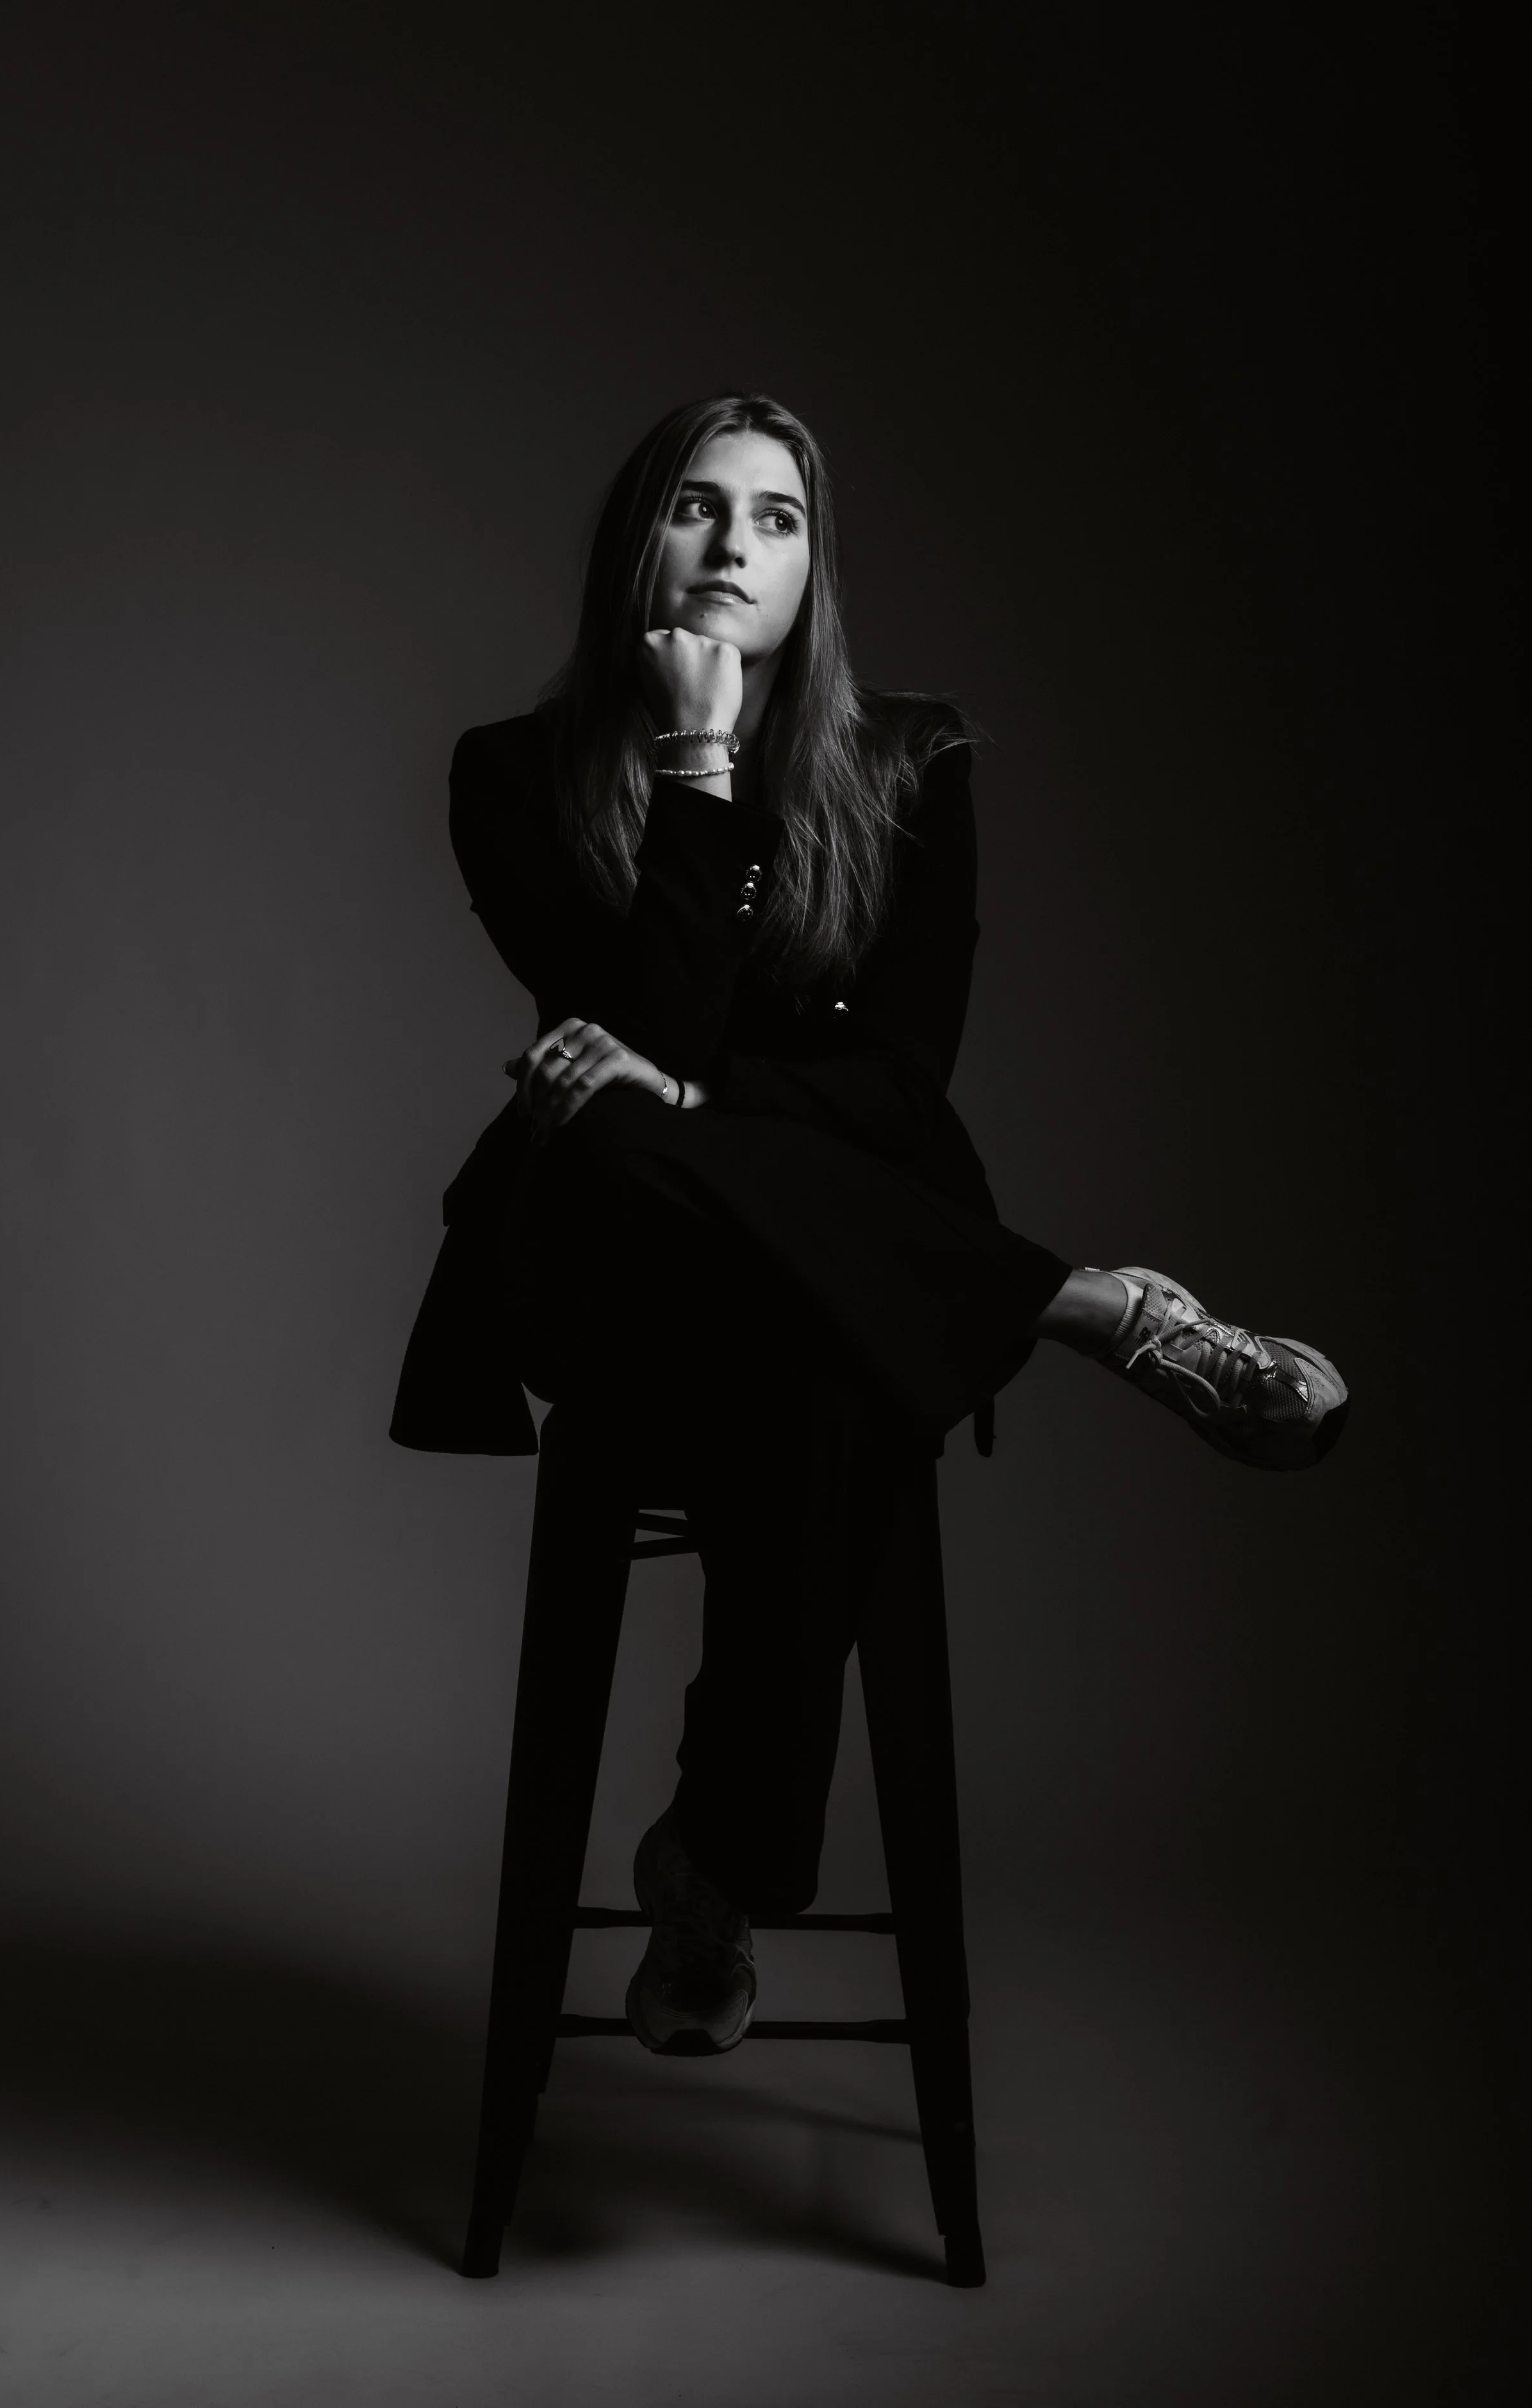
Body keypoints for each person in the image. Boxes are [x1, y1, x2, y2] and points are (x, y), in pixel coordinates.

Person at [390, 392, 1348, 2056]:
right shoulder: (513, 776)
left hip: (832, 1268)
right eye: (696, 506)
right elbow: (644, 1057)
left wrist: (690, 1095)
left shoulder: (909, 761)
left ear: (815, 567)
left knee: (814, 1348)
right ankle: (1080, 1304)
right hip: (613, 1267)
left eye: (776, 518)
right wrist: (694, 765)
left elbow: (900, 1085)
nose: (732, 547)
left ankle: (711, 1875)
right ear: (636, 542)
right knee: (614, 1133)